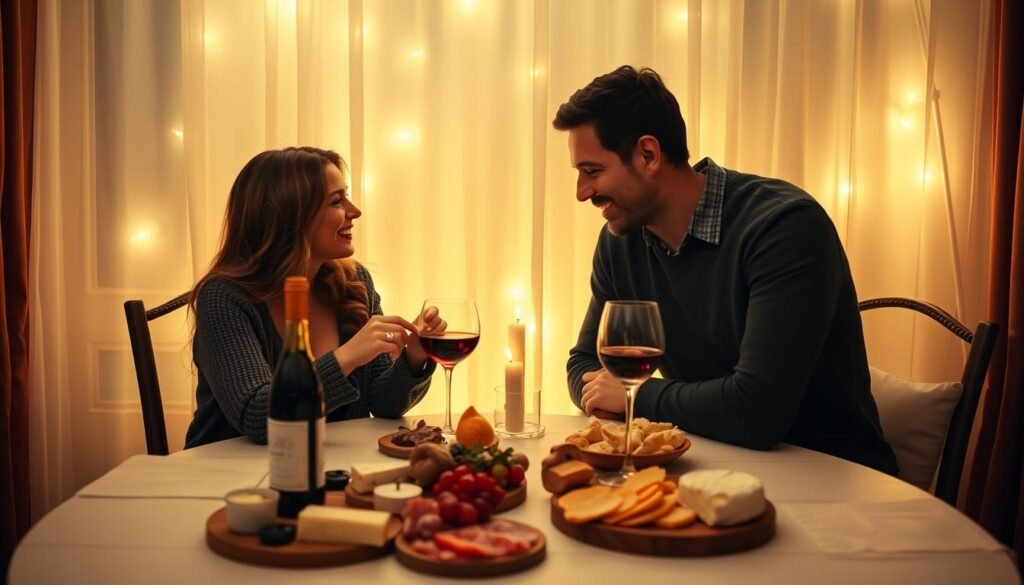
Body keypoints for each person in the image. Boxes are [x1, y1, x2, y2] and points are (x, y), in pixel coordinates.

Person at [555, 66, 898, 474]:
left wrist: (635, 395)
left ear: (648, 155)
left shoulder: (783, 227)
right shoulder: (620, 241)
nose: (581, 193)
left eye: (592, 171)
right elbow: (583, 364)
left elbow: (756, 412)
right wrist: (617, 393)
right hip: (711, 465)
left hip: (831, 484)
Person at [184, 146, 440, 448]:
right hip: (227, 480)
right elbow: (258, 418)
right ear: (291, 217)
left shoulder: (354, 284)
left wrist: (414, 356)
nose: (354, 211)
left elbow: (383, 402)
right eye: (336, 201)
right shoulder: (224, 298)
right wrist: (346, 357)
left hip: (329, 468)